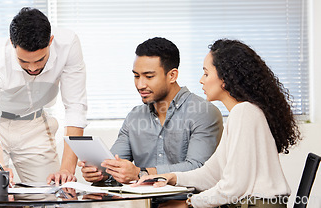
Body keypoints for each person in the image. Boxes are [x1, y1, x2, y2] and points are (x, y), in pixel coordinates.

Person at [136, 39, 301, 208]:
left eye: (206, 73)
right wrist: (172, 177)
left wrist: (188, 203)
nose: (202, 80)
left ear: (225, 79)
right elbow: (212, 174)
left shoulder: (244, 112)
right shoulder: (242, 113)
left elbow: (232, 188)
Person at [80, 37, 223, 184]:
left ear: (172, 75)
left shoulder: (204, 112)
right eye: (136, 76)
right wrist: (100, 172)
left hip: (187, 203)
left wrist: (141, 173)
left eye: (149, 76)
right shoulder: (134, 117)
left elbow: (198, 168)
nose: (140, 85)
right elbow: (115, 164)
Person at [0, 7, 87, 184]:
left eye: (40, 60)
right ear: (12, 43)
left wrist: (66, 170)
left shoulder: (68, 44)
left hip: (33, 122)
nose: (32, 68)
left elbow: (75, 108)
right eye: (24, 61)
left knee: (52, 193)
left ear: (50, 41)